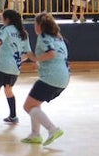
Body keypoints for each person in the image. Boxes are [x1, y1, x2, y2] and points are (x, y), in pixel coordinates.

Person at [19, 12, 68, 147]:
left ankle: (52, 129)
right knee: (35, 104)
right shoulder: (58, 38)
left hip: (51, 77)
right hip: (63, 78)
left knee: (28, 106)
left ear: (40, 26)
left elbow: (51, 54)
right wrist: (35, 60)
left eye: (35, 24)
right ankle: (35, 134)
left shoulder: (43, 37)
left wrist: (36, 59)